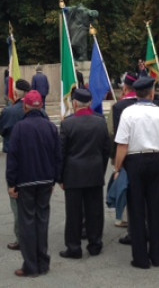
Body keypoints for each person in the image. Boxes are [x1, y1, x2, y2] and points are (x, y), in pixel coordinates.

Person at [113, 76, 159, 269]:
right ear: (152, 92)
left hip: (134, 160)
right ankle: (157, 255)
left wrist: (117, 168)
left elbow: (122, 145)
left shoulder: (128, 113)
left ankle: (140, 257)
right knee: (156, 209)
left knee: (136, 209)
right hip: (155, 158)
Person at [6, 87, 61, 278]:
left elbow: (12, 158)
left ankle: (31, 265)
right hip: (46, 180)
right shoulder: (51, 127)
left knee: (27, 223)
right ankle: (43, 262)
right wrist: (55, 179)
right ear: (41, 106)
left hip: (26, 181)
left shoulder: (19, 128)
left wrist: (11, 183)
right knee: (42, 221)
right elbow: (57, 156)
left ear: (26, 107)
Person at [58, 88, 110, 259]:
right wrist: (100, 170)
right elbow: (105, 150)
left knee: (74, 213)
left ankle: (74, 247)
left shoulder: (67, 124)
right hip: (94, 172)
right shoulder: (100, 122)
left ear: (74, 104)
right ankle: (95, 244)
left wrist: (60, 177)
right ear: (89, 104)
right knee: (95, 211)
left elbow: (61, 153)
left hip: (73, 174)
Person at [0, 79, 32, 251]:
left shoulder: (9, 112)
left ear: (16, 94)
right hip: (33, 159)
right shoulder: (38, 109)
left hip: (15, 160)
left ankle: (21, 237)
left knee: (16, 200)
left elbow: (1, 128)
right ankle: (34, 233)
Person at [108, 71, 138, 231]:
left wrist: (114, 157)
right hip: (141, 152)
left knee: (122, 186)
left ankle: (121, 217)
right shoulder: (145, 103)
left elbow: (112, 133)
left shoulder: (118, 106)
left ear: (125, 88)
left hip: (122, 152)